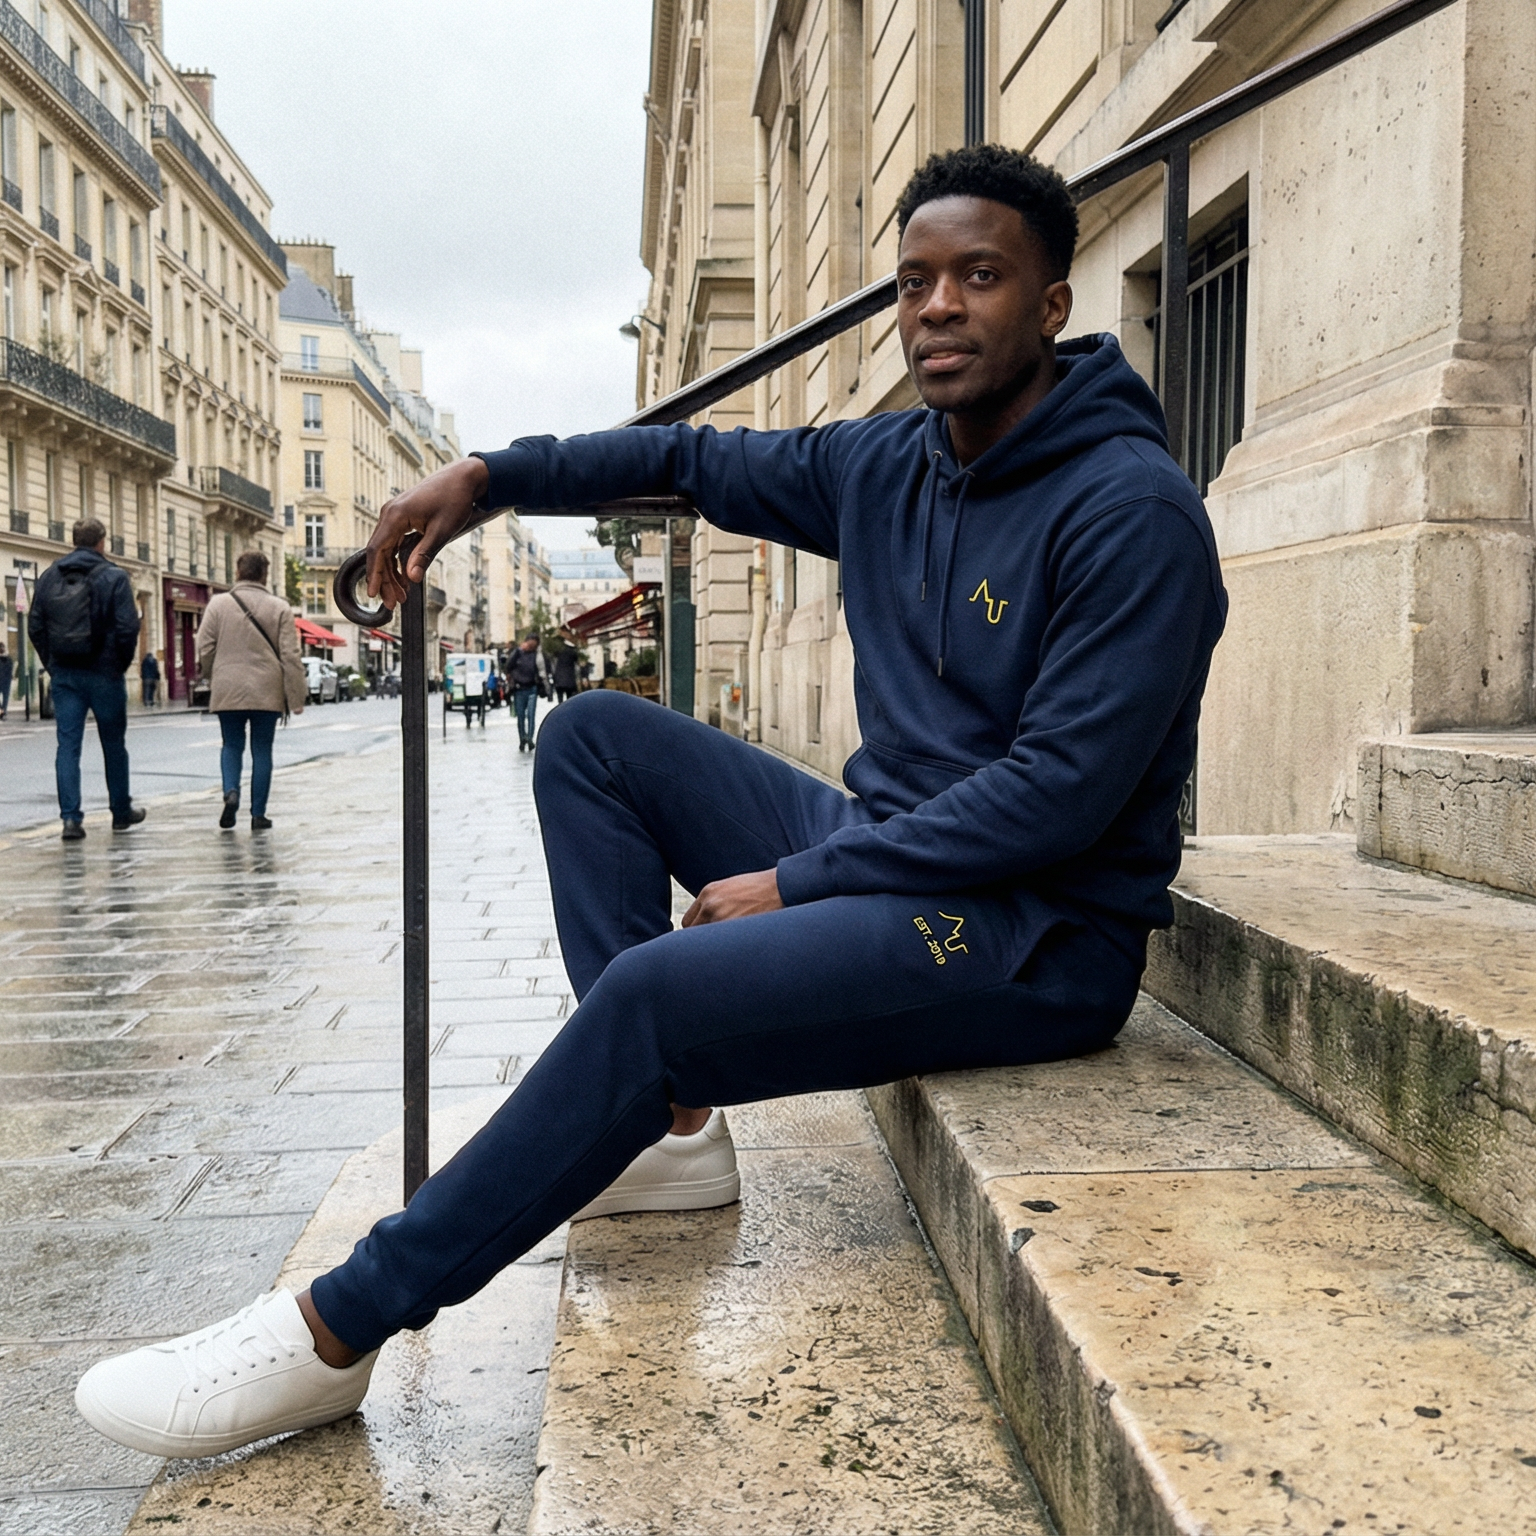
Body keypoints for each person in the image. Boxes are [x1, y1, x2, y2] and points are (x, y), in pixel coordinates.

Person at [75, 145, 1226, 1459]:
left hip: (1036, 932)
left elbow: (1058, 798)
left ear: (1053, 305)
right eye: (915, 282)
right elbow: (692, 459)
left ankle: (339, 1329)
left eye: (980, 276)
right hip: (900, 857)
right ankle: (666, 1132)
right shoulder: (892, 466)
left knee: (655, 995)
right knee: (592, 736)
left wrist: (797, 884)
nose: (940, 307)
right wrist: (492, 479)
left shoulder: (1132, 512)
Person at [28, 519, 145, 841]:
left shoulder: (50, 575)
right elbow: (127, 627)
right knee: (114, 745)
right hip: (105, 671)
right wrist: (118, 664)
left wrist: (53, 665)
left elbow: (36, 626)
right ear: (101, 542)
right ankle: (120, 812)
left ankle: (70, 819)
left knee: (67, 745)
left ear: (74, 540)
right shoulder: (115, 576)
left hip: (65, 672)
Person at [195, 551, 306, 831]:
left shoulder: (218, 604)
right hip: (267, 688)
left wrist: (214, 673)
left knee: (231, 745)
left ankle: (231, 791)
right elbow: (290, 654)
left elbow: (204, 646)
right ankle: (258, 814)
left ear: (238, 571)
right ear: (264, 575)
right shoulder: (279, 607)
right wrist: (296, 696)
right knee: (262, 749)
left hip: (228, 685)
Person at [507, 630, 549, 751]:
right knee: (520, 716)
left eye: (534, 644)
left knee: (531, 715)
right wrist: (518, 650)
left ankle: (530, 739)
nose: (531, 646)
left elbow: (542, 670)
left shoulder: (537, 655)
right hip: (519, 689)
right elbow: (508, 666)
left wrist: (546, 687)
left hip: (532, 688)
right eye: (530, 643)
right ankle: (522, 739)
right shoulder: (518, 653)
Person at [551, 632, 581, 703]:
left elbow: (553, 665)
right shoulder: (572, 651)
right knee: (570, 700)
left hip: (559, 679)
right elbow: (577, 666)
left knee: (560, 701)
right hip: (570, 680)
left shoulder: (557, 651)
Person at [0, 641, 11, 721]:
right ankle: (2, 711)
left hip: (6, 681)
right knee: (5, 697)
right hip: (5, 680)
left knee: (5, 697)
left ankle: (3, 711)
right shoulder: (9, 659)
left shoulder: (8, 658)